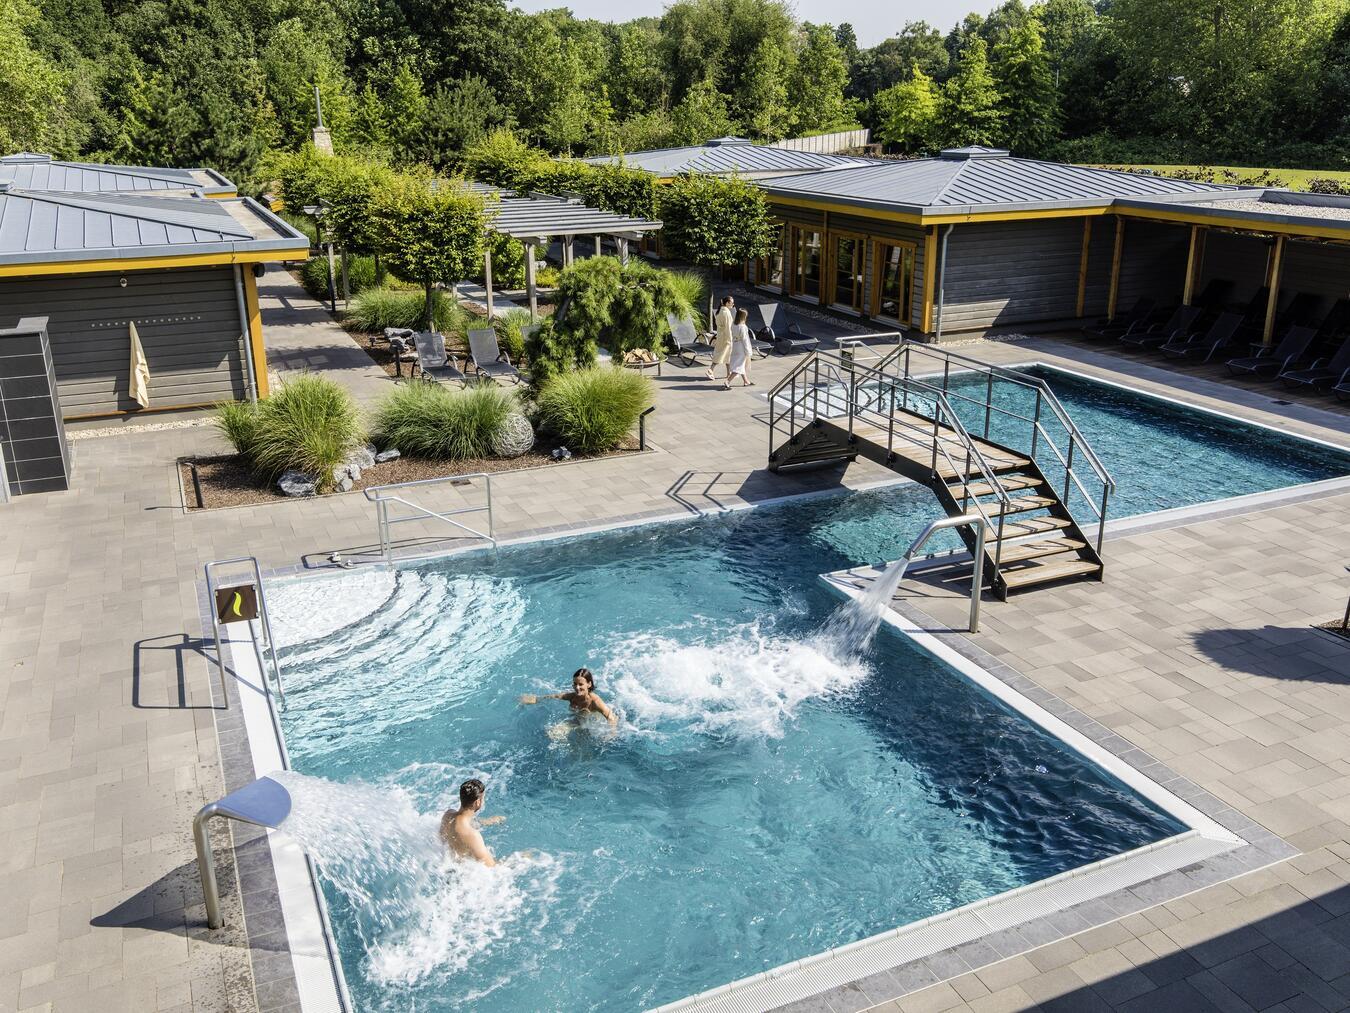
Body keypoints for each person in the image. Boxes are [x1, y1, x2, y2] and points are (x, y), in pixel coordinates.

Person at [519, 667, 617, 726]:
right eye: (575, 684)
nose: (577, 687)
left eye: (581, 684)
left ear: (589, 684)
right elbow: (555, 696)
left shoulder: (595, 701)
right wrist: (535, 699)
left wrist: (610, 735)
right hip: (578, 721)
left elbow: (611, 717)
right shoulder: (572, 696)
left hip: (590, 723)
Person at [440, 778, 505, 866]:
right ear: (477, 802)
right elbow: (492, 867)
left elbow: (443, 837)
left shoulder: (448, 815)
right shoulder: (473, 836)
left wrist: (487, 821)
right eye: (483, 798)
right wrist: (519, 859)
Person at [706, 296, 735, 382]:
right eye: (732, 303)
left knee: (726, 355)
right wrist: (730, 338)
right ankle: (711, 370)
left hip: (721, 335)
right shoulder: (726, 313)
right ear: (727, 303)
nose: (733, 305)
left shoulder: (720, 311)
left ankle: (728, 373)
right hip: (726, 337)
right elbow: (728, 327)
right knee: (721, 355)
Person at [724, 308, 754, 389]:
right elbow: (745, 340)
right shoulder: (743, 327)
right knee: (739, 365)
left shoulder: (734, 324)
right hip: (741, 347)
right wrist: (748, 351)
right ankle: (728, 381)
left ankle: (746, 381)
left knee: (741, 364)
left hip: (735, 345)